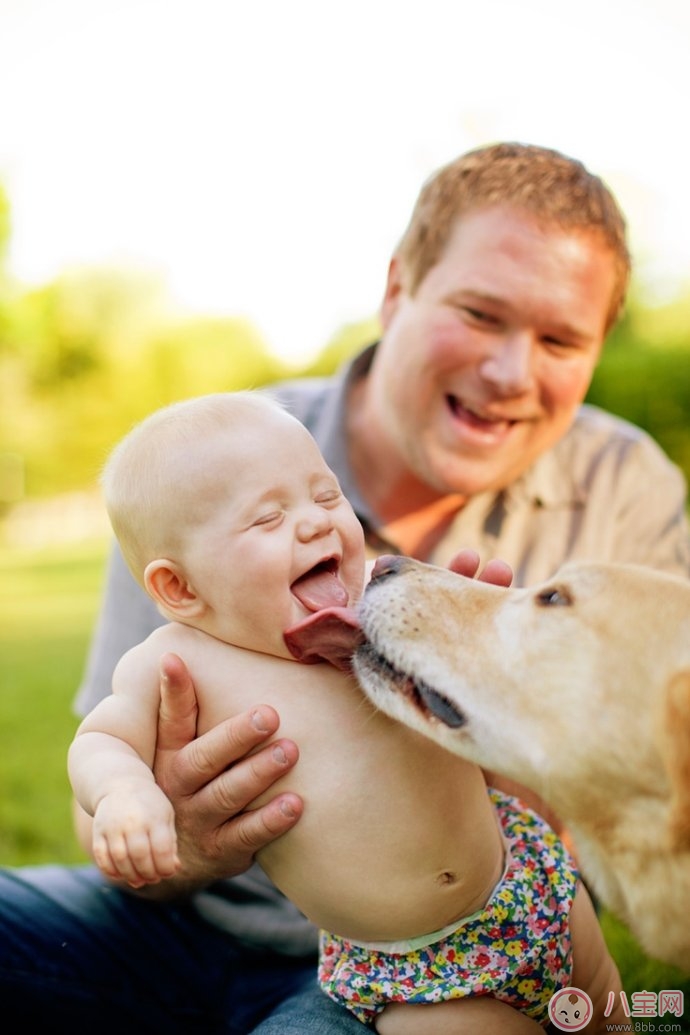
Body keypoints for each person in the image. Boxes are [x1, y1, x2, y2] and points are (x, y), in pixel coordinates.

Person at [2, 141, 689, 1033]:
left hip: (425, 955)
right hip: (173, 923)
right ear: (397, 287)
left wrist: (507, 730)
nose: (513, 372)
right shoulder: (207, 469)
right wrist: (165, 832)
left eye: (560, 338)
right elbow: (102, 775)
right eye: (482, 314)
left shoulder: (625, 491)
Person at [67, 390, 625, 1033]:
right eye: (268, 518)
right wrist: (124, 795)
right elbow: (101, 739)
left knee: (608, 1012)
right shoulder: (179, 663)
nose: (315, 523)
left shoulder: (386, 603)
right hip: (424, 978)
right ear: (180, 588)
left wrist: (486, 650)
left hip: (531, 879)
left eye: (326, 495)